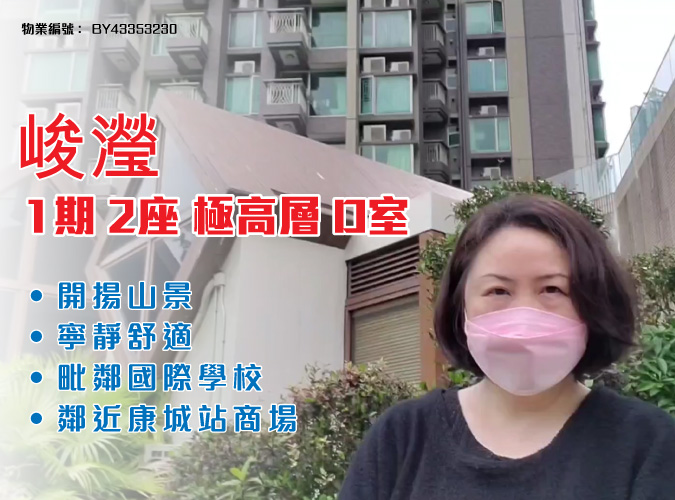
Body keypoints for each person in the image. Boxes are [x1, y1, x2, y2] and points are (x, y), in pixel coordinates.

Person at [339, 194, 675, 500]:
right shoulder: (401, 437)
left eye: (552, 289)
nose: (524, 316)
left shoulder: (647, 443)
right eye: (498, 291)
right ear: (460, 307)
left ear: (594, 304)